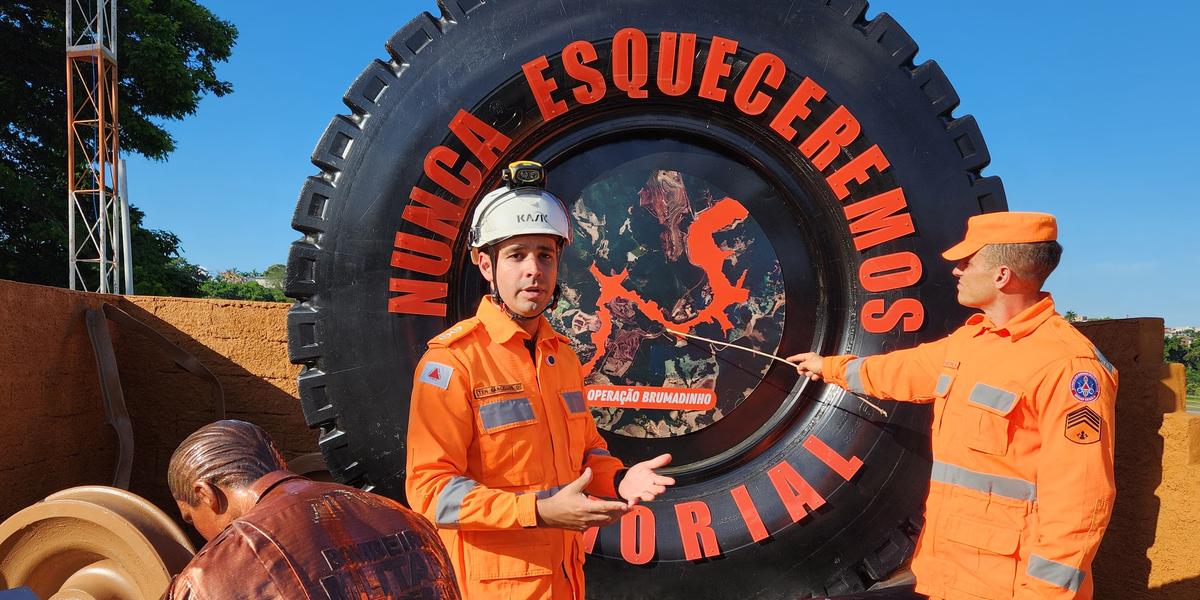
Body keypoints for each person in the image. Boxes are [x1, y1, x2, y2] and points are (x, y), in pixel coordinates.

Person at [787, 212, 1116, 600]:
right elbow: (902, 371)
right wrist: (828, 367)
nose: (957, 270)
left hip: (1010, 588)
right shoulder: (973, 342)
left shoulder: (1069, 367)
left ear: (1002, 276)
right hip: (949, 576)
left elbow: (1079, 503)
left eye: (967, 262)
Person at [405, 161, 676, 599]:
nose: (534, 269)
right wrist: (538, 512)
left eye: (545, 255)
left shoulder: (562, 356)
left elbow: (588, 451)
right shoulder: (452, 362)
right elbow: (430, 491)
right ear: (485, 265)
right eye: (516, 255)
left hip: (565, 581)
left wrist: (619, 478)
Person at [163, 419, 460, 600]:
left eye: (191, 518)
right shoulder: (405, 518)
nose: (201, 535)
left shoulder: (214, 573)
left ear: (206, 494)